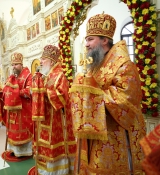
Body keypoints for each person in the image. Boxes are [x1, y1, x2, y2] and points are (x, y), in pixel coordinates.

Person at [70, 13, 145, 174]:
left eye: (90, 39)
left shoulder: (124, 65)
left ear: (105, 40)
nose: (86, 44)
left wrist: (90, 94)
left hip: (117, 135)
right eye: (86, 40)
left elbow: (125, 101)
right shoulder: (97, 64)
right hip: (97, 135)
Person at [32, 45, 76, 174]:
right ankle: (44, 169)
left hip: (56, 120)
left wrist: (44, 91)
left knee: (53, 144)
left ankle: (56, 171)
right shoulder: (45, 75)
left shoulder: (59, 75)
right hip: (43, 117)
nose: (40, 61)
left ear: (51, 61)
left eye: (43, 59)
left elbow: (62, 97)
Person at [3, 52, 33, 157]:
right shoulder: (12, 77)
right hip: (13, 109)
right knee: (13, 129)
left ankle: (24, 151)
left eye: (16, 64)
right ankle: (14, 150)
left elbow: (30, 91)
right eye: (12, 65)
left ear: (21, 64)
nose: (13, 67)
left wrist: (14, 93)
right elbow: (6, 88)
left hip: (24, 109)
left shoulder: (28, 75)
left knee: (22, 130)